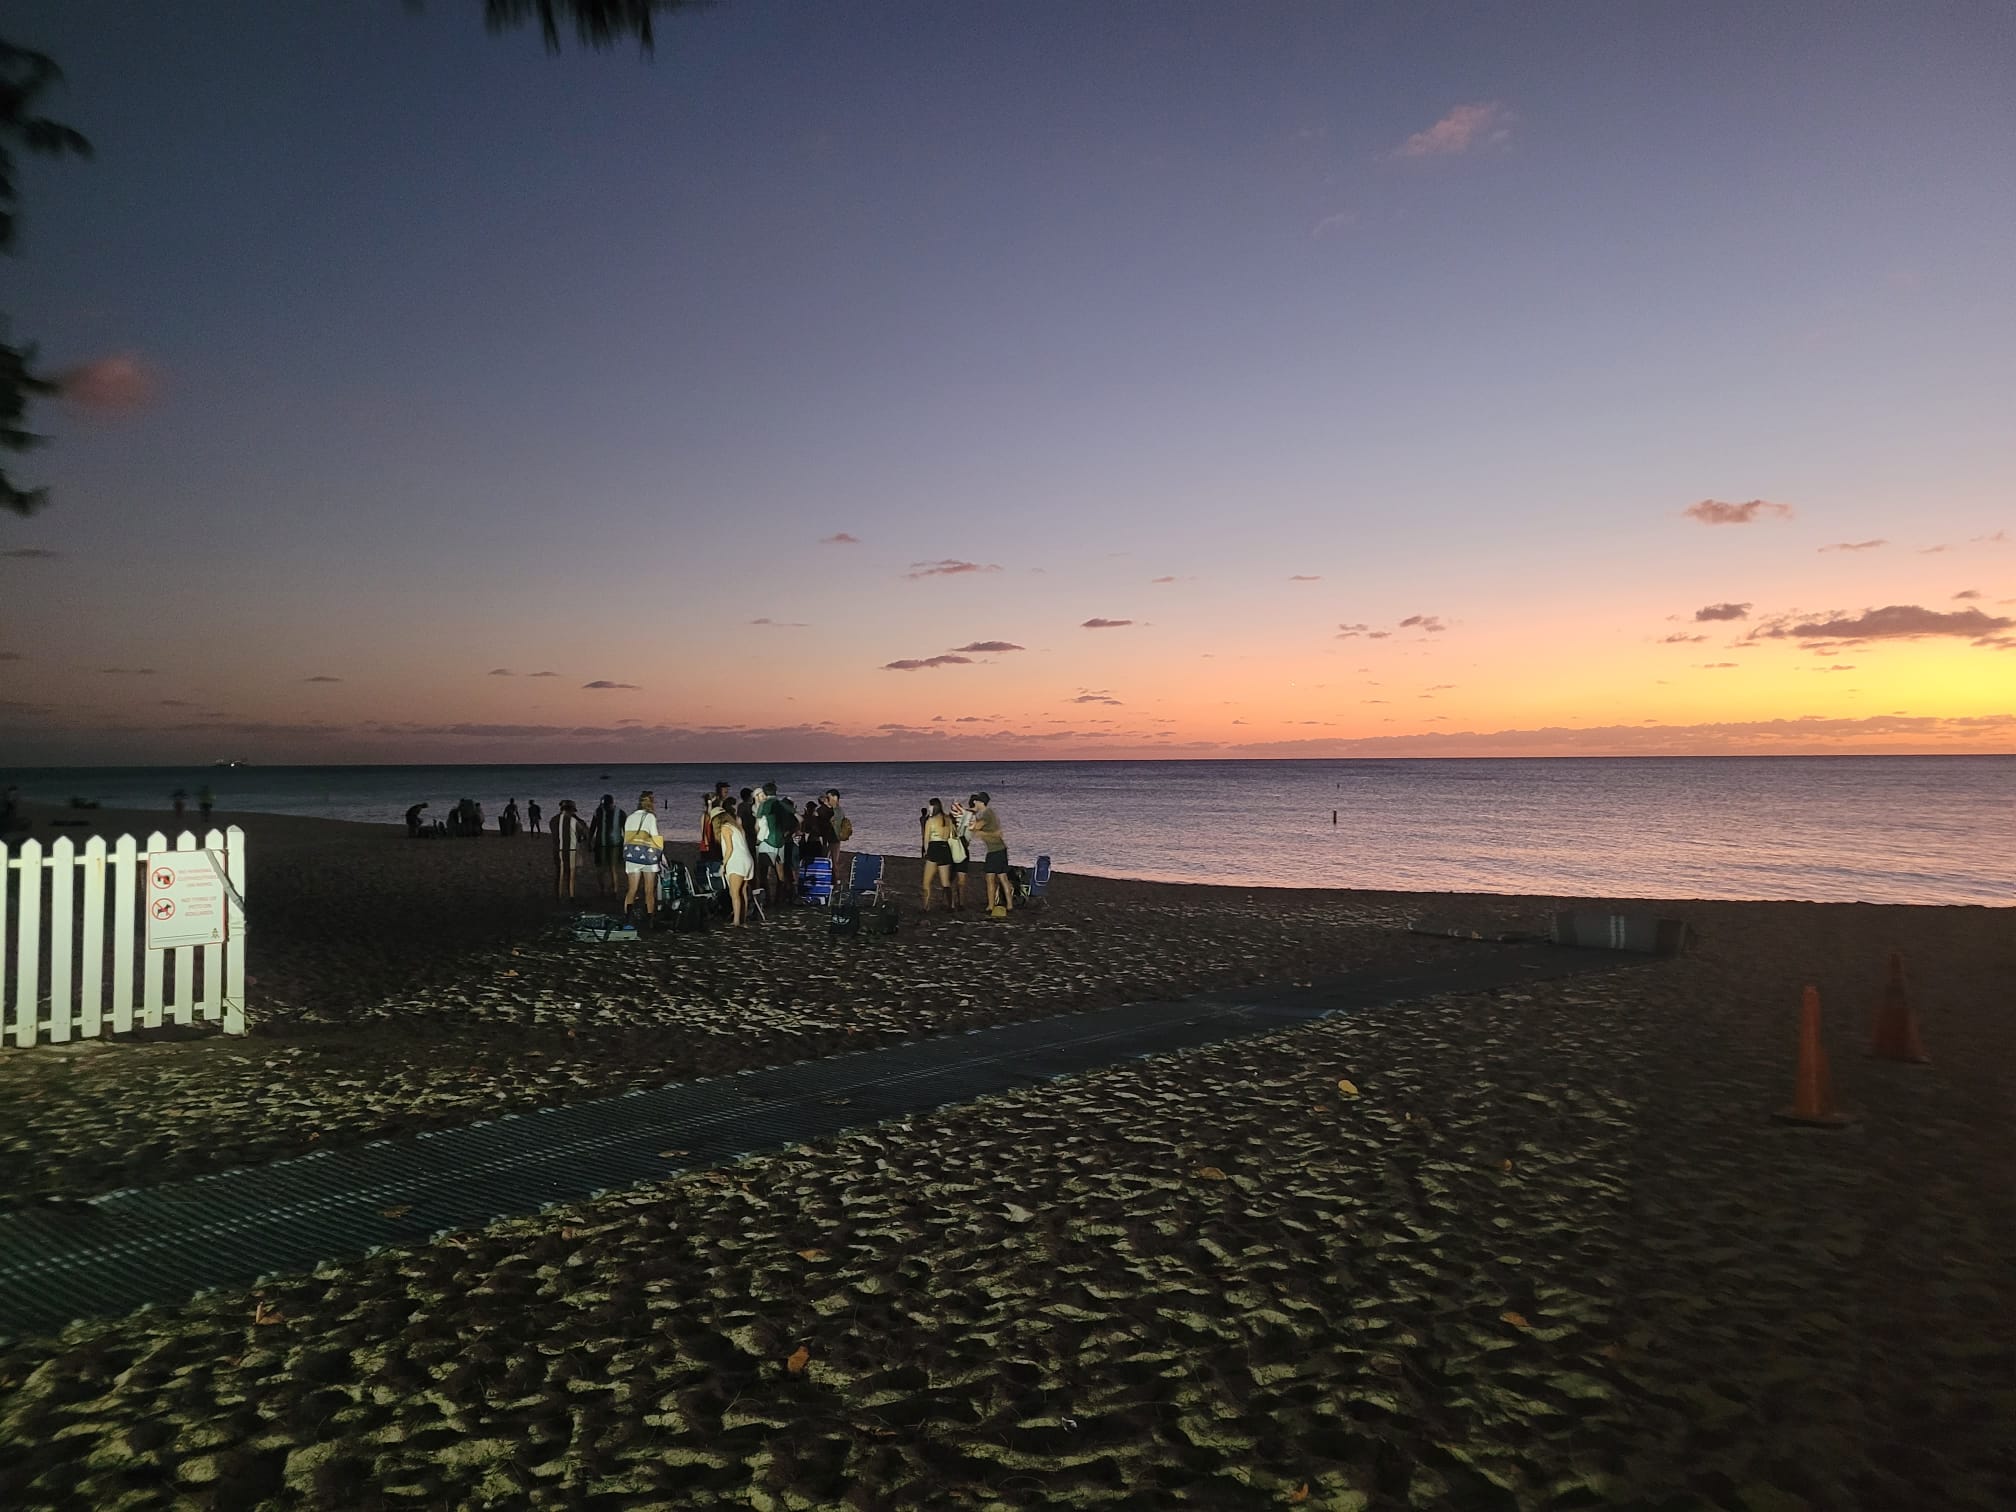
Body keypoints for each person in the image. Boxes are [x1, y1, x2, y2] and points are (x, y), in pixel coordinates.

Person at [619, 790, 663, 923]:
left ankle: (628, 917)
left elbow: (625, 836)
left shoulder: (630, 817)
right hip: (647, 857)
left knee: (632, 889)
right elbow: (655, 836)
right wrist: (660, 848)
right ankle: (650, 918)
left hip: (632, 856)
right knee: (649, 890)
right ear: (650, 803)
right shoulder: (650, 817)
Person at [967, 791, 1013, 915]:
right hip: (1000, 849)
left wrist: (969, 821)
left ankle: (990, 905)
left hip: (994, 851)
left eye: (976, 801)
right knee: (1003, 877)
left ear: (980, 802)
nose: (974, 802)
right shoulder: (988, 813)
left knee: (990, 878)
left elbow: (975, 827)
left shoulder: (986, 814)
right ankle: (1009, 904)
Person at [713, 798, 755, 926]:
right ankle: (743, 919)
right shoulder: (737, 827)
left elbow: (729, 848)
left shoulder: (725, 828)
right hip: (747, 859)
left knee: (734, 893)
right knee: (743, 892)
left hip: (736, 861)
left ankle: (736, 920)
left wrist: (723, 864)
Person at [921, 798, 958, 911]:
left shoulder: (931, 820)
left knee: (926, 882)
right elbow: (953, 835)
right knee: (945, 882)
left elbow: (926, 839)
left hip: (934, 848)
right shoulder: (948, 819)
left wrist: (926, 852)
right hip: (945, 848)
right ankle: (950, 905)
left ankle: (926, 906)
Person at [589, 794, 625, 895]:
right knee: (610, 868)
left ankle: (607, 890)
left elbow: (592, 828)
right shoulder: (620, 813)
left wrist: (589, 841)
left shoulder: (598, 812)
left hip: (604, 843)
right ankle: (612, 890)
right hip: (613, 844)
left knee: (604, 868)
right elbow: (625, 829)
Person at [552, 798, 586, 900]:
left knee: (560, 873)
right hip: (571, 850)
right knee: (571, 874)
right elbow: (583, 832)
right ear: (571, 809)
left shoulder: (553, 820)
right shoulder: (573, 820)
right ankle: (571, 895)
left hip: (557, 849)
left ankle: (559, 895)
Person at [823, 788, 852, 884]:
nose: (827, 799)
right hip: (832, 838)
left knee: (833, 862)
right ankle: (833, 881)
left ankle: (835, 882)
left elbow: (832, 821)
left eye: (829, 797)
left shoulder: (837, 810)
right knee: (831, 861)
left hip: (834, 838)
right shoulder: (836, 810)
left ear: (835, 798)